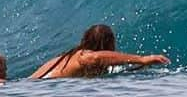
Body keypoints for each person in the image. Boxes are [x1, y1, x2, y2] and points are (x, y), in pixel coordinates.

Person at [30, 24, 170, 80]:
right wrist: (142, 59)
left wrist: (142, 67)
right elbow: (95, 58)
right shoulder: (83, 55)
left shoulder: (73, 56)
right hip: (37, 90)